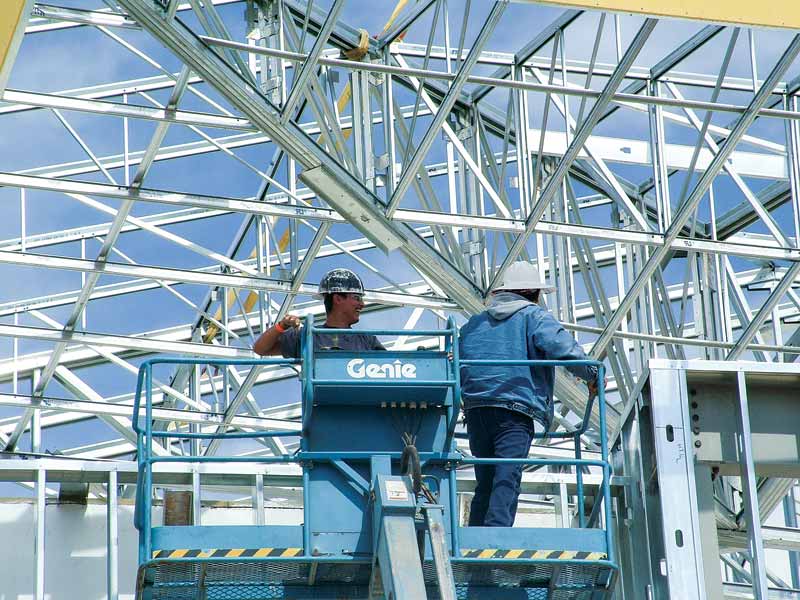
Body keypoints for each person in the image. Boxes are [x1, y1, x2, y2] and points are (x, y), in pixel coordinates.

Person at [458, 261, 601, 527]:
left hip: (476, 412)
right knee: (506, 478)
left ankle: (475, 540)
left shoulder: (473, 324)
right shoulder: (534, 316)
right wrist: (592, 376)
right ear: (534, 293)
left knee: (485, 481)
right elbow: (562, 347)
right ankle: (496, 542)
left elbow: (455, 363)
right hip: (515, 411)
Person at [253, 268, 385, 358]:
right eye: (357, 298)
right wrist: (281, 326)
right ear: (338, 299)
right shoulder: (308, 336)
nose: (362, 304)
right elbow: (260, 349)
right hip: (324, 399)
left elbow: (391, 369)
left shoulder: (366, 340)